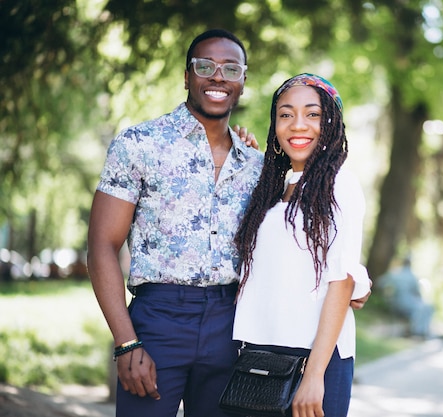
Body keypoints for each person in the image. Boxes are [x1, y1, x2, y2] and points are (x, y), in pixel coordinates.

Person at [87, 29, 370, 417]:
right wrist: (125, 342)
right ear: (187, 76)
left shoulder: (256, 168)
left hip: (229, 327)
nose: (218, 76)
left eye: (230, 68)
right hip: (159, 320)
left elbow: (312, 241)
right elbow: (102, 244)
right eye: (205, 66)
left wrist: (355, 276)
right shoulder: (140, 144)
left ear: (243, 81)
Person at [232, 73, 370, 417]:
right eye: (285, 114)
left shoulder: (340, 185)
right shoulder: (270, 191)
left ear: (331, 124)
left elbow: (342, 280)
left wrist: (314, 375)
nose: (298, 125)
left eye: (312, 114)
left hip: (315, 358)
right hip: (259, 354)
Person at [378, 256, 433, 338]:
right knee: (427, 307)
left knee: (423, 307)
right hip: (407, 305)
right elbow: (417, 293)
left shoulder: (395, 273)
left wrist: (387, 296)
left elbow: (380, 283)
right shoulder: (412, 277)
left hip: (394, 304)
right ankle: (418, 332)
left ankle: (416, 331)